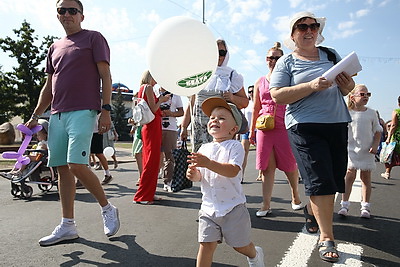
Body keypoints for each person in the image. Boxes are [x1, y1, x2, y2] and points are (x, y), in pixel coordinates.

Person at [25, 0, 120, 246]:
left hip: (84, 111)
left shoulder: (93, 38)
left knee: (76, 164)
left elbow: (105, 76)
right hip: (56, 114)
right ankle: (68, 225)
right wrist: (36, 115)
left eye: (72, 10)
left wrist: (106, 109)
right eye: (62, 10)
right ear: (57, 15)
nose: (66, 14)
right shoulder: (54, 47)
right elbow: (49, 86)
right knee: (62, 170)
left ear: (81, 16)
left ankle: (107, 207)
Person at [269, 11, 355, 263]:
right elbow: (277, 95)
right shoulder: (286, 62)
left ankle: (310, 210)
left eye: (313, 26)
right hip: (304, 126)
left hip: (337, 123)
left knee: (332, 177)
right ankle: (327, 237)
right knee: (320, 180)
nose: (309, 30)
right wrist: (311, 86)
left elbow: (348, 89)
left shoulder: (330, 55)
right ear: (293, 34)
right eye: (302, 27)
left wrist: (346, 84)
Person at [186, 96, 264, 267]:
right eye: (212, 117)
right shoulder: (203, 148)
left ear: (233, 129)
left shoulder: (234, 146)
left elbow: (232, 171)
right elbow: (201, 176)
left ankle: (254, 253)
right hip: (208, 208)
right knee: (206, 245)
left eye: (221, 118)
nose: (214, 120)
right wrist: (194, 175)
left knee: (240, 246)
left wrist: (207, 163)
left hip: (233, 208)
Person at [249, 42, 303, 217]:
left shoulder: (289, 78)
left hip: (284, 125)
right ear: (266, 60)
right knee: (266, 167)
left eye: (277, 57)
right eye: (271, 57)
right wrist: (251, 131)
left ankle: (295, 195)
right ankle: (266, 204)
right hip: (264, 127)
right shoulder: (260, 81)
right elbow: (256, 108)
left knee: (289, 165)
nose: (273, 60)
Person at [180, 39, 249, 152]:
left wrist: (232, 97)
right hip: (199, 130)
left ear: (226, 54)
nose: (218, 56)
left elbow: (245, 102)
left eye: (222, 52)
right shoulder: (199, 74)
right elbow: (192, 103)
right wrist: (184, 127)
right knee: (199, 163)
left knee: (219, 161)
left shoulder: (232, 75)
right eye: (215, 52)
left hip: (221, 129)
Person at [338, 85, 382, 218]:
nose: (366, 97)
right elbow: (341, 131)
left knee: (366, 178)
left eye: (368, 94)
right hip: (351, 149)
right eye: (362, 94)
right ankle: (344, 204)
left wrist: (375, 146)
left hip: (367, 151)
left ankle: (365, 207)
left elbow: (378, 131)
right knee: (349, 176)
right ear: (352, 97)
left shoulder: (371, 113)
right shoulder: (346, 112)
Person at [133, 70, 170, 204]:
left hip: (149, 127)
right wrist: (161, 100)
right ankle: (143, 195)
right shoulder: (148, 88)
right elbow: (153, 108)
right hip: (152, 127)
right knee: (151, 161)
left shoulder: (142, 88)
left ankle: (149, 192)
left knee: (150, 160)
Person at [158, 87, 184, 192]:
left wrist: (171, 113)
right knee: (154, 155)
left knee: (169, 156)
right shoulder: (154, 92)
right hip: (156, 127)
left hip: (171, 128)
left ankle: (167, 181)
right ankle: (150, 180)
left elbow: (181, 112)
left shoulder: (175, 94)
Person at [240, 85, 261, 182]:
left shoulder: (258, 103)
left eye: (253, 91)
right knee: (243, 153)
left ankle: (261, 173)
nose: (251, 93)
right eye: (249, 91)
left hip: (258, 130)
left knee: (260, 152)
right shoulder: (246, 105)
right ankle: (241, 175)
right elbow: (242, 119)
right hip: (246, 130)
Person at [381, 96, 400, 179]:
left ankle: (387, 172)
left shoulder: (396, 112)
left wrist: (388, 137)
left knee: (390, 154)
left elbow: (393, 125)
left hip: (397, 137)